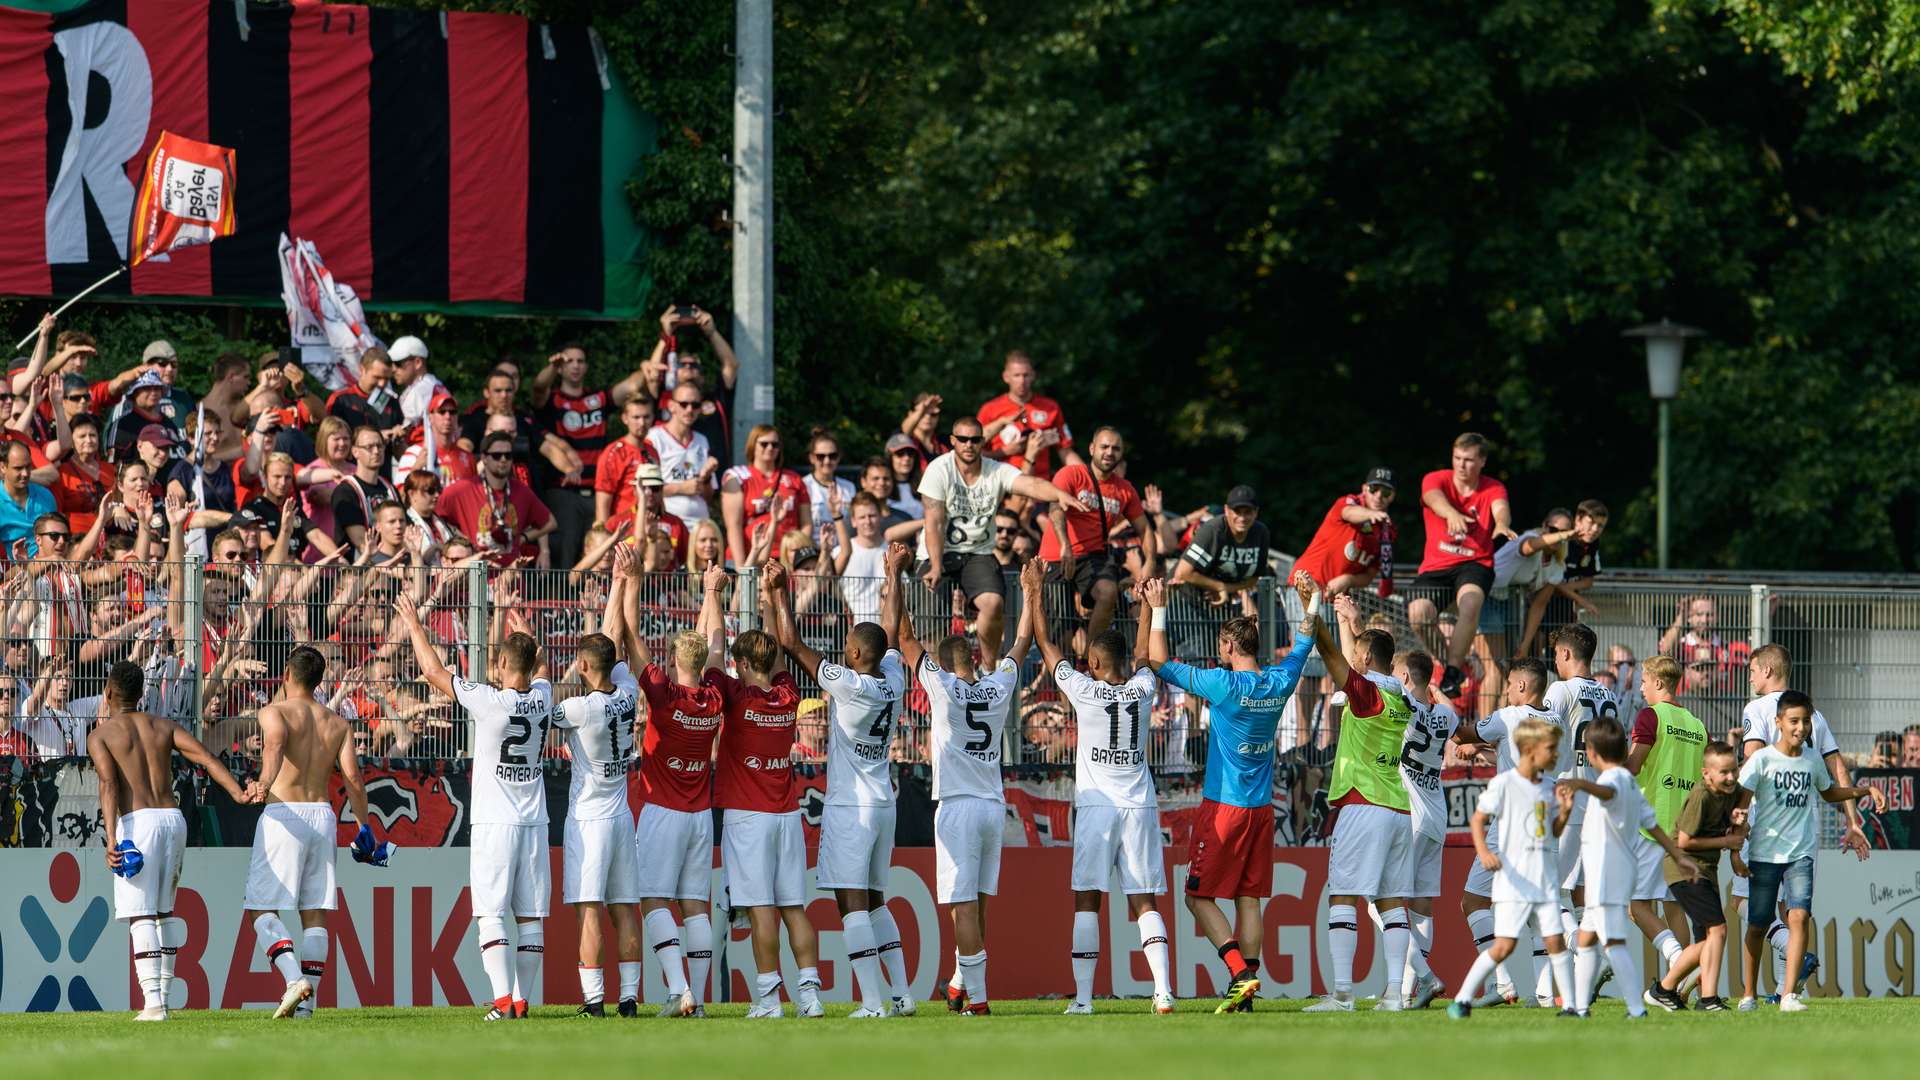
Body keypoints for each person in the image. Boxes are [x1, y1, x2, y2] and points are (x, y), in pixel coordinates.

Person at [1143, 574, 1315, 1012]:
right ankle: (1250, 991)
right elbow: (1303, 644)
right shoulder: (1279, 683)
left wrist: (1159, 605)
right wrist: (1310, 605)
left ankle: (1239, 972)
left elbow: (1157, 660)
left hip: (1225, 808)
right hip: (1261, 811)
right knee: (1249, 899)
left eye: (1221, 646)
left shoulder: (1222, 686)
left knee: (1197, 897)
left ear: (1229, 647)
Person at [394, 591, 553, 1022]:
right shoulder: (545, 696)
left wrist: (412, 621)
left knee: (490, 913)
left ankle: (503, 1001)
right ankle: (521, 999)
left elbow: (431, 671)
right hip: (535, 820)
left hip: (495, 822)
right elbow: (537, 667)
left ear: (502, 664)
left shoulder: (489, 701)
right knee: (531, 916)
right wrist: (518, 623)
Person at [763, 555, 910, 1018]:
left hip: (851, 805)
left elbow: (789, 642)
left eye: (848, 644)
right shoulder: (895, 677)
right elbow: (888, 630)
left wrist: (780, 591)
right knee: (876, 900)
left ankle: (871, 1003)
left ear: (854, 655)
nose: (844, 648)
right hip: (884, 800)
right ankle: (902, 996)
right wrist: (893, 577)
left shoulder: (850, 684)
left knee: (851, 905)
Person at [1025, 565, 1172, 1016]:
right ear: (1124, 663)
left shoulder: (1084, 690)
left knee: (1087, 898)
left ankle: (1085, 999)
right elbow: (1147, 657)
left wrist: (1034, 594)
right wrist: (1149, 608)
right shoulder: (1143, 689)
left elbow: (1048, 647)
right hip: (1139, 804)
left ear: (1092, 663)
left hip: (1095, 806)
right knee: (1143, 900)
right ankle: (1163, 992)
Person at [898, 545, 1033, 1019]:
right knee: (976, 902)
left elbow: (904, 636)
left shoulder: (940, 685)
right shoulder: (996, 687)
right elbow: (1021, 644)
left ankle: (978, 998)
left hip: (955, 804)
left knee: (962, 907)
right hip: (993, 806)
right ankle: (959, 983)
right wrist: (1030, 595)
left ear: (943, 662)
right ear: (973, 660)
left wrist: (894, 575)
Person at [90, 659, 257, 1021]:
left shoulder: (101, 735)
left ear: (108, 693)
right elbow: (206, 758)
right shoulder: (162, 726)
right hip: (173, 820)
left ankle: (152, 1004)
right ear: (141, 694)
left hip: (139, 823)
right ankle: (163, 1000)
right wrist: (238, 793)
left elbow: (108, 784)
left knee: (140, 914)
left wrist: (111, 838)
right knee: (164, 911)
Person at [1289, 578, 1417, 1013]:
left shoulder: (1367, 696)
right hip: (1399, 807)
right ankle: (1396, 994)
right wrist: (1351, 623)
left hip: (1364, 804)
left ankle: (1342, 993)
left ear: (1364, 659)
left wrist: (1314, 609)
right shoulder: (1401, 698)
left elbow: (1331, 657)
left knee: (1343, 896)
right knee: (1391, 901)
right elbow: (1351, 662)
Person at [240, 645, 382, 1020]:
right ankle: (307, 1008)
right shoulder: (338, 724)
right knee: (315, 914)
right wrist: (365, 826)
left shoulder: (275, 711)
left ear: (287, 675)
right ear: (320, 682)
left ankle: (292, 980)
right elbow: (353, 778)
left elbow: (274, 744)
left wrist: (263, 781)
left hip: (283, 812)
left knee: (260, 909)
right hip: (323, 815)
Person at [1733, 644, 1883, 996]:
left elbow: (1751, 758)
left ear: (1768, 670)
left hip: (1764, 824)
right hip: (1804, 826)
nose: (1751, 677)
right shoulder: (1814, 715)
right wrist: (1852, 821)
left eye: (1753, 670)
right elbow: (1836, 767)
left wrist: (1737, 817)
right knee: (1794, 909)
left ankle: (1788, 951)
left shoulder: (1757, 708)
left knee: (1744, 904)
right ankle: (1789, 993)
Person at [714, 572, 823, 1020]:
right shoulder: (788, 694)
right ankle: (811, 996)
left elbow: (715, 654)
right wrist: (775, 596)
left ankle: (768, 998)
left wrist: (714, 595)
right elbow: (776, 651)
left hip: (748, 819)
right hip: (785, 816)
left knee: (761, 910)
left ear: (742, 664)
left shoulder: (736, 696)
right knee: (794, 908)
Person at [629, 556, 729, 1019]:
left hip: (663, 811)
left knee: (652, 898)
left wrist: (629, 583)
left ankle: (679, 989)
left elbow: (631, 636)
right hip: (699, 816)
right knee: (695, 906)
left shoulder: (664, 696)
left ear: (673, 660)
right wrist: (713, 592)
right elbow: (717, 648)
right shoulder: (713, 696)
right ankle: (699, 999)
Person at [551, 547, 645, 1018]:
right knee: (625, 907)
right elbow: (611, 642)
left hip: (588, 818)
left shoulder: (577, 709)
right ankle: (629, 998)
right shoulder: (627, 693)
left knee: (589, 908)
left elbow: (604, 645)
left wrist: (618, 584)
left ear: (584, 667)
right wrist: (622, 584)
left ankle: (593, 1002)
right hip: (622, 814)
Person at [1559, 717, 1701, 1019]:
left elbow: (1607, 795)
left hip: (1606, 877)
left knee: (1613, 943)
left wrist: (1580, 783)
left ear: (1592, 752)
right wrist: (1678, 856)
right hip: (1611, 875)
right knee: (1586, 939)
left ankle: (1637, 1009)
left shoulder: (1611, 782)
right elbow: (1653, 824)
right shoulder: (1630, 783)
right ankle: (1578, 1008)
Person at [1450, 657, 1560, 1006]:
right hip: (1545, 818)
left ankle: (1502, 985)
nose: (1507, 691)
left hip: (1508, 823)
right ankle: (1544, 993)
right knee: (1541, 913)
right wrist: (1489, 750)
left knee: (1473, 902)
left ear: (1523, 687)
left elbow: (1460, 733)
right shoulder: (1556, 719)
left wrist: (1441, 701)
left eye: (1510, 684)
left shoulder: (1508, 716)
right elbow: (1523, 754)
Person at [916, 416, 1067, 661]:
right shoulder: (938, 469)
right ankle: (938, 685)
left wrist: (1060, 494)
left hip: (978, 553)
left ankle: (988, 670)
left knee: (994, 602)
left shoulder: (995, 470)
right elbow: (933, 522)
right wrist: (935, 565)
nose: (968, 444)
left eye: (975, 439)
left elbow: (1030, 484)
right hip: (937, 552)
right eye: (962, 439)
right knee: (932, 625)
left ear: (983, 442)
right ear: (953, 441)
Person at [1537, 622, 1621, 1001]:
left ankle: (1587, 951)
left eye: (1556, 654)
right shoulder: (1609, 694)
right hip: (1599, 801)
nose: (1555, 661)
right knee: (1577, 894)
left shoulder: (1560, 690)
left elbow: (1542, 731)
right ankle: (1561, 988)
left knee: (1550, 890)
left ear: (1567, 654)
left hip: (1567, 797)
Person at [1407, 433, 1517, 697]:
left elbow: (1501, 508)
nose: (1461, 465)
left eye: (1468, 460)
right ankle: (1450, 667)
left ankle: (1454, 671)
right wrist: (1451, 514)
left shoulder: (1493, 487)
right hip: (1437, 566)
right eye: (1457, 458)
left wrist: (1501, 523)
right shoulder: (1436, 479)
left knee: (1470, 601)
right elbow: (1434, 498)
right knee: (1418, 614)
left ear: (1482, 461)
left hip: (1475, 562)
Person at [1625, 654, 1707, 995]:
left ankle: (1676, 961)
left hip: (1651, 826)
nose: (1641, 688)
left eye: (1644, 681)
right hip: (1684, 830)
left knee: (1637, 907)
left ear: (1659, 683)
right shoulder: (1697, 725)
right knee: (1675, 907)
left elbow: (1632, 766)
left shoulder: (1650, 717)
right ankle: (1685, 981)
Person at [1648, 741, 1745, 1012]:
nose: (1730, 778)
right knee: (1719, 929)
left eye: (1733, 771)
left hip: (1705, 869)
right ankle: (1707, 999)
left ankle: (1664, 990)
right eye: (1723, 772)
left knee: (1708, 940)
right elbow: (1685, 841)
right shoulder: (1701, 795)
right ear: (1706, 774)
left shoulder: (1733, 791)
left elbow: (1736, 819)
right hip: (1684, 868)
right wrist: (1727, 842)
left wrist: (1737, 827)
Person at [1040, 426, 1158, 641]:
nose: (1109, 452)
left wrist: (1150, 561)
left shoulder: (1125, 489)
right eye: (1104, 446)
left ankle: (1094, 657)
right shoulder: (1071, 474)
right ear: (1092, 448)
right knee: (1062, 635)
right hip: (1057, 556)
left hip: (1092, 557)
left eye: (1116, 448)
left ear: (1121, 454)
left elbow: (1145, 529)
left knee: (1108, 592)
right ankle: (1059, 670)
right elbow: (1055, 510)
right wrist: (1064, 543)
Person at [1391, 648, 1458, 1008]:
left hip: (1412, 815)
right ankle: (1406, 991)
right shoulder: (1445, 716)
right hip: (1437, 817)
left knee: (1381, 899)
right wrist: (1434, 687)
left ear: (1403, 677)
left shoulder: (1403, 705)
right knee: (1421, 905)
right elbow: (1452, 709)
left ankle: (1424, 978)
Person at [529, 342, 610, 570]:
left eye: (580, 361)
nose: (575, 365)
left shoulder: (598, 399)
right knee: (564, 549)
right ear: (561, 368)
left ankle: (593, 601)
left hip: (595, 492)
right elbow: (537, 389)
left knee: (596, 550)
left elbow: (629, 388)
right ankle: (559, 601)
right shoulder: (551, 400)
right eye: (569, 361)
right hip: (562, 491)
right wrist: (552, 367)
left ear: (586, 367)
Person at [437, 431, 556, 566]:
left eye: (508, 455)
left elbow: (550, 522)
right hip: (478, 576)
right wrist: (458, 539)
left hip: (512, 574)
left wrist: (523, 538)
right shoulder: (464, 488)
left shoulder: (521, 490)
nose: (503, 460)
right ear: (484, 458)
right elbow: (434, 513)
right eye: (497, 456)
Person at [1293, 468, 1398, 599]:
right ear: (1364, 489)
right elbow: (1348, 512)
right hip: (1305, 586)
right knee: (1305, 621)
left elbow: (1369, 576)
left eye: (1386, 492)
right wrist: (1372, 514)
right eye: (1374, 489)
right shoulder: (1347, 502)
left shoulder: (1387, 532)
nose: (1378, 496)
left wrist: (1348, 580)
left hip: (1335, 599)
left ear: (1393, 496)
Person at [976, 350, 1080, 474]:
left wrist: (1089, 479)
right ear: (1006, 377)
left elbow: (1065, 451)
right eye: (1016, 375)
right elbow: (973, 453)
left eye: (1026, 375)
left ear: (1033, 376)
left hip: (1040, 482)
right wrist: (1004, 452)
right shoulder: (990, 409)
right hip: (1001, 482)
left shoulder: (1050, 407)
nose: (1022, 381)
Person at [722, 424, 809, 566]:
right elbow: (733, 526)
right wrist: (741, 566)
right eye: (764, 444)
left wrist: (799, 557)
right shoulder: (738, 477)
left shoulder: (794, 479)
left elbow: (806, 523)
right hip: (750, 555)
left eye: (775, 444)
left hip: (786, 557)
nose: (770, 448)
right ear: (752, 446)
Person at [1492, 508, 1575, 659]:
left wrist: (1525, 645)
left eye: (1563, 532)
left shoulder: (1558, 564)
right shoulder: (1531, 538)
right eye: (1554, 530)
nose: (1558, 536)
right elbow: (1528, 548)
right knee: (1495, 662)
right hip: (1485, 595)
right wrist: (1562, 535)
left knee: (1512, 661)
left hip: (1508, 600)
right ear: (1544, 526)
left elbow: (1539, 605)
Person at [1171, 485, 1270, 608]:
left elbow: (1255, 578)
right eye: (1237, 511)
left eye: (1248, 512)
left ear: (1256, 512)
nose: (1242, 518)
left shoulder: (1261, 533)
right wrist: (1219, 586)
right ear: (1227, 510)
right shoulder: (1212, 530)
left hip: (1223, 603)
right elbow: (1182, 572)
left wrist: (1226, 589)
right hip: (1187, 603)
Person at [647, 382, 718, 524]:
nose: (690, 409)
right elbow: (645, 490)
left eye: (695, 405)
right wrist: (681, 488)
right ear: (671, 406)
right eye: (684, 404)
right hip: (667, 524)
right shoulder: (654, 438)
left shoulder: (702, 441)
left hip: (699, 525)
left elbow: (709, 497)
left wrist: (707, 477)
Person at [330, 426, 401, 552]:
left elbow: (406, 531)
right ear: (355, 452)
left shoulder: (390, 489)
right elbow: (361, 542)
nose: (376, 451)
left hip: (393, 562)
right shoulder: (346, 491)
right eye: (369, 447)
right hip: (360, 568)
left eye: (380, 446)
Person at [594, 395, 659, 530]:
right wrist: (604, 536)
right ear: (625, 418)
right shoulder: (614, 453)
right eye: (636, 417)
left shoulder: (653, 451)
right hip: (624, 529)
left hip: (650, 526)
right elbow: (603, 502)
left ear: (653, 418)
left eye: (646, 417)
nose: (642, 422)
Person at [391, 391, 476, 488]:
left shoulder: (467, 457)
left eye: (452, 412)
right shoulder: (413, 454)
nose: (448, 416)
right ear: (430, 417)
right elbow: (400, 495)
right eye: (442, 412)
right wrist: (417, 467)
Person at [324, 348, 404, 443]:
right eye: (377, 377)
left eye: (386, 379)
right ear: (362, 370)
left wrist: (398, 438)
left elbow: (400, 450)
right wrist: (376, 438)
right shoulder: (340, 400)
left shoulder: (392, 402)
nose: (382, 384)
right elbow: (329, 441)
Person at [800, 429, 855, 548]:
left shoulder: (849, 487)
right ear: (811, 458)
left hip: (843, 553)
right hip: (813, 553)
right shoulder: (803, 485)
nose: (827, 461)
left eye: (832, 456)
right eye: (820, 456)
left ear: (839, 457)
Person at [0, 441, 57, 555]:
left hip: (50, 567)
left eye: (28, 466)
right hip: (14, 570)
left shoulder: (45, 496)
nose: (25, 473)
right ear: (2, 467)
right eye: (18, 468)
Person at [387, 336, 445, 426]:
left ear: (418, 362)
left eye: (398, 363)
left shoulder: (419, 392)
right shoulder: (432, 383)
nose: (393, 369)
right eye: (392, 363)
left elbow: (407, 432)